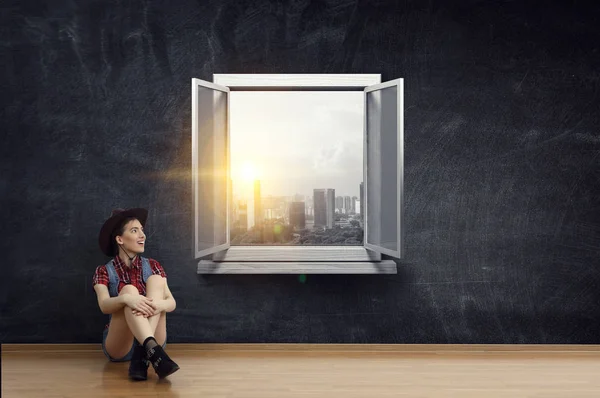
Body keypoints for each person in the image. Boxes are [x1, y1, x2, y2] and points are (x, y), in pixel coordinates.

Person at [93, 208, 180, 380]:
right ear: (120, 239)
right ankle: (147, 351)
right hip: (119, 346)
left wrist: (155, 304)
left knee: (155, 279)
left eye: (142, 230)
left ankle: (144, 352)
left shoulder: (154, 266)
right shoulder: (103, 271)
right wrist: (127, 299)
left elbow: (171, 303)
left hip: (156, 342)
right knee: (128, 290)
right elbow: (104, 305)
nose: (142, 235)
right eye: (135, 231)